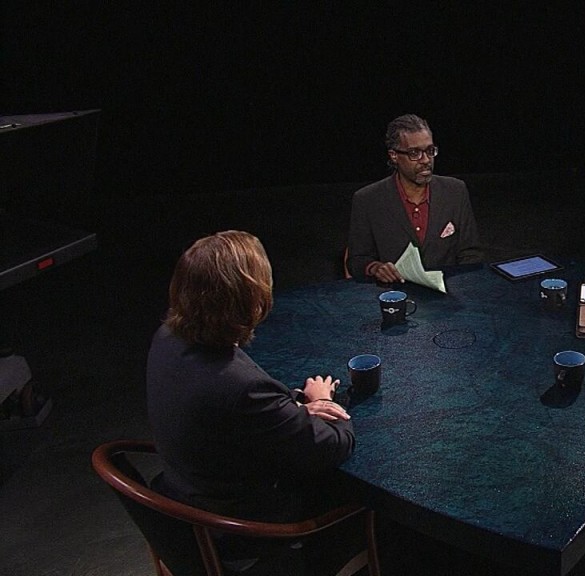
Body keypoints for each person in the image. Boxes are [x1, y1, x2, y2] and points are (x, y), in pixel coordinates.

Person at [147, 230, 362, 575]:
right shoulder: (240, 387)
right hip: (240, 532)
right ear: (249, 300)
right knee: (369, 507)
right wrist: (324, 403)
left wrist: (293, 408)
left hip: (183, 501)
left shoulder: (167, 337)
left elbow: (237, 419)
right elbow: (334, 445)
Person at [347, 114, 482, 283]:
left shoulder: (455, 191)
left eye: (430, 151)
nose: (426, 160)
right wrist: (376, 268)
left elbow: (471, 254)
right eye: (414, 153)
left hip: (448, 298)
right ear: (394, 156)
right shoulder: (367, 200)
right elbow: (356, 261)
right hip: (395, 296)